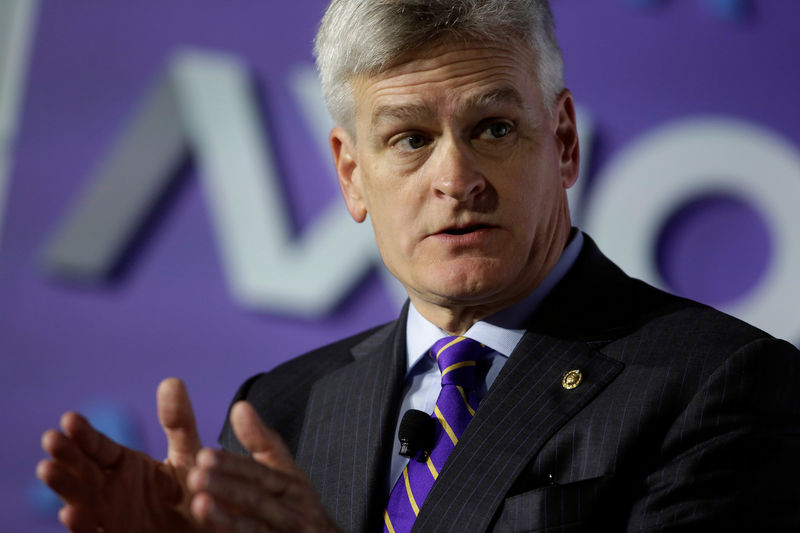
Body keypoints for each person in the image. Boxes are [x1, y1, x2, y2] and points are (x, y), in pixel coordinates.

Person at [38, 0, 800, 531]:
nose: (455, 178)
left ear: (563, 140)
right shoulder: (280, 411)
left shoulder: (719, 383)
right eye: (408, 138)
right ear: (350, 173)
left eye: (493, 127)